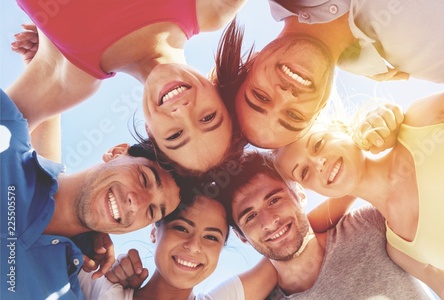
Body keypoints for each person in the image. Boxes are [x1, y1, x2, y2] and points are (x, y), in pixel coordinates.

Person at [273, 70, 444, 275]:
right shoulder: (402, 250)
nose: (318, 163)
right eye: (304, 172)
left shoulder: (423, 121)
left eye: (318, 143)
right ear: (308, 190)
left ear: (340, 128)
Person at [216, 0, 444, 149]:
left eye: (260, 96)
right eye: (293, 116)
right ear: (318, 111)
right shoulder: (419, 63)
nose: (285, 96)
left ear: (249, 63)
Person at [9, 0, 248, 174]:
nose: (182, 111)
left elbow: (36, 193)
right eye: (207, 118)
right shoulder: (212, 7)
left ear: (150, 130)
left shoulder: (72, 78)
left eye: (175, 135)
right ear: (218, 87)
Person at [0, 85, 183, 299]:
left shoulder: (66, 292)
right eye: (144, 178)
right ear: (116, 152)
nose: (137, 203)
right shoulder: (8, 132)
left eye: (151, 211)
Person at [216, 151, 444, 299]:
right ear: (241, 237)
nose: (269, 221)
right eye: (249, 217)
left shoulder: (371, 224)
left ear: (301, 195)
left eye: (274, 199)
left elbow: (441, 277)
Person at [81, 191, 278, 300]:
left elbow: (291, 244)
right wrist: (90, 234)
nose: (193, 246)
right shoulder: (102, 284)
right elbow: (54, 191)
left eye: (211, 237)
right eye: (181, 228)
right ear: (153, 231)